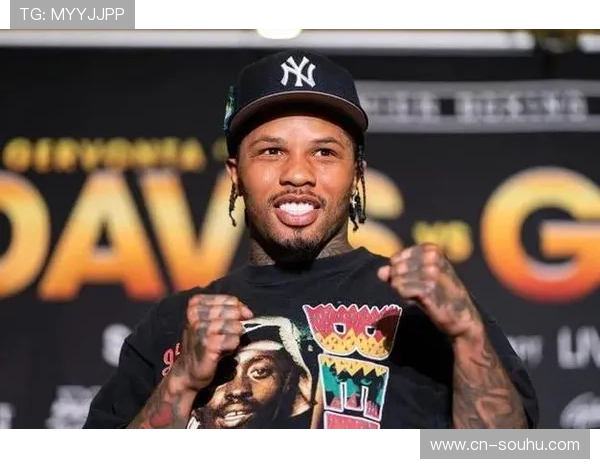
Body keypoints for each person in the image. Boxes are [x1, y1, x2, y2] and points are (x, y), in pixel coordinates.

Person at [83, 49, 539, 429]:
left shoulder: (426, 315)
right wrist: (182, 381)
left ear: (356, 174)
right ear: (235, 175)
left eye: (324, 152)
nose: (298, 174)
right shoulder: (173, 325)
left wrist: (465, 333)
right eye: (271, 151)